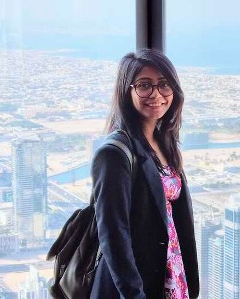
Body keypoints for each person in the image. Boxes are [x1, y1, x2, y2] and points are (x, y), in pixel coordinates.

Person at [90, 48, 199, 299]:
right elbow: (113, 237)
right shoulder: (115, 154)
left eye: (164, 85)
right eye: (144, 85)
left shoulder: (163, 142)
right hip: (138, 286)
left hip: (171, 273)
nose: (156, 94)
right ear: (127, 91)